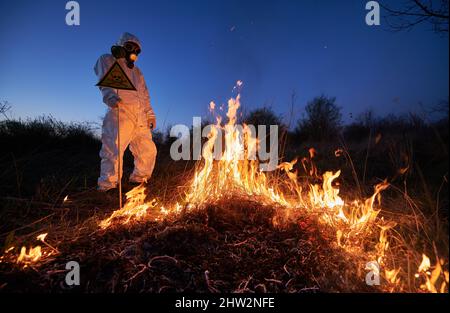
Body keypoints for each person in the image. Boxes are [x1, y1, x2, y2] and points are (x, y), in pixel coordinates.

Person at [94, 32, 157, 191]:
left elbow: (144, 94)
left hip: (140, 116)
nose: (134, 52)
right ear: (122, 45)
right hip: (120, 111)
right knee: (113, 149)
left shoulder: (138, 72)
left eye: (137, 50)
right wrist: (110, 97)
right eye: (130, 47)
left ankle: (139, 179)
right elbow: (105, 79)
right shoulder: (107, 59)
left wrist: (150, 114)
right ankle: (108, 186)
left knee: (147, 149)